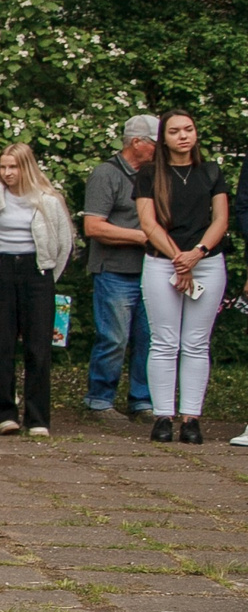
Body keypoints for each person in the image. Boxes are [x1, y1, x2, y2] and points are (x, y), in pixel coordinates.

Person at [134, 107, 228, 445]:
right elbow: (148, 223)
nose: (183, 136)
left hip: (206, 262)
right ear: (163, 138)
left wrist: (196, 254)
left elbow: (220, 220)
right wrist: (179, 260)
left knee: (196, 342)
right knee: (164, 341)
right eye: (174, 131)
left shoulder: (211, 171)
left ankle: (191, 418)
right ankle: (163, 416)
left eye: (188, 129)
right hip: (163, 262)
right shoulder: (149, 174)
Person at [0, 142, 75, 438]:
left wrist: (47, 273)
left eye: (14, 167)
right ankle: (2, 414)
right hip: (3, 269)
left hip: (37, 271)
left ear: (27, 167)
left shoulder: (48, 200)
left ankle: (37, 417)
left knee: (38, 347)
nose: (8, 173)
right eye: (3, 167)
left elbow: (64, 243)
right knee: (0, 344)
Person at [79, 115, 159, 417]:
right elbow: (93, 227)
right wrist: (143, 236)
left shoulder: (154, 175)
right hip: (114, 271)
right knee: (114, 339)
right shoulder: (106, 174)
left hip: (151, 270)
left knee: (149, 339)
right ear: (137, 142)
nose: (161, 150)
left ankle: (142, 400)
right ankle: (99, 400)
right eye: (156, 144)